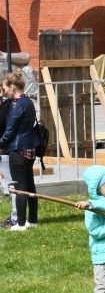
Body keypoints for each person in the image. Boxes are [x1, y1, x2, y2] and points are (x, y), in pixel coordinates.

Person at [0, 71, 39, 231]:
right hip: (30, 148)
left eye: (5, 89)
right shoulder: (28, 101)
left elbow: (9, 131)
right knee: (29, 185)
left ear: (12, 87)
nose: (5, 92)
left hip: (18, 149)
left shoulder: (16, 105)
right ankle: (33, 220)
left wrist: (0, 143)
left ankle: (21, 223)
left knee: (19, 187)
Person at [0, 78, 18, 228]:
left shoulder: (8, 105)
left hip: (7, 149)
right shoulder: (10, 104)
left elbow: (4, 127)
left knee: (13, 184)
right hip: (7, 149)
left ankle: (16, 216)